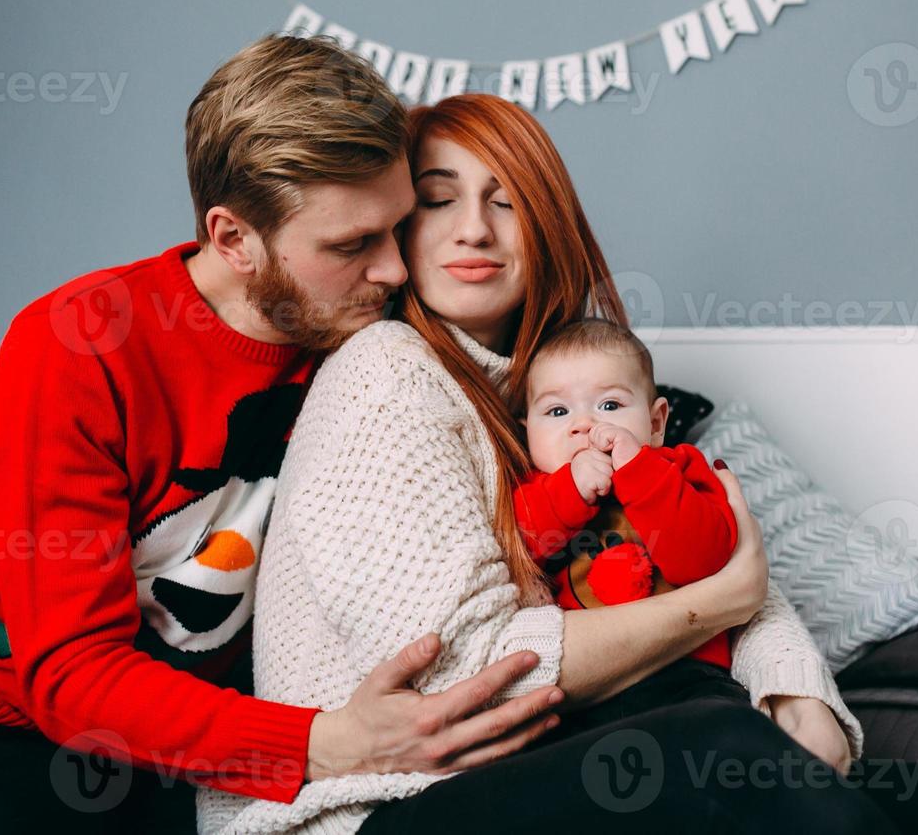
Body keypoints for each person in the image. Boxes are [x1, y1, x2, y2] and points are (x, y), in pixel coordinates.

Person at [0, 36, 567, 834]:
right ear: (234, 239)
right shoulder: (80, 339)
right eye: (353, 244)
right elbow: (70, 666)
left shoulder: (381, 351)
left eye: (398, 227)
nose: (390, 266)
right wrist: (321, 743)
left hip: (71, 741)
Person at [196, 93, 878, 835]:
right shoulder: (385, 372)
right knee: (717, 751)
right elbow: (468, 674)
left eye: (507, 202)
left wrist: (797, 692)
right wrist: (720, 604)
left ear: (545, 220)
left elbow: (713, 555)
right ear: (397, 227)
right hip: (366, 808)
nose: (474, 229)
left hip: (517, 769)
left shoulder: (562, 388)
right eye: (438, 200)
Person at [512, 316, 738, 670]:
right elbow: (515, 553)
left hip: (686, 667)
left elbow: (703, 563)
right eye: (557, 411)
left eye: (610, 405)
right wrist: (568, 490)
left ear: (656, 423)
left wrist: (639, 471)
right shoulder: (529, 492)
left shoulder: (680, 469)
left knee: (733, 724)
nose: (584, 424)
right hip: (585, 675)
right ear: (527, 433)